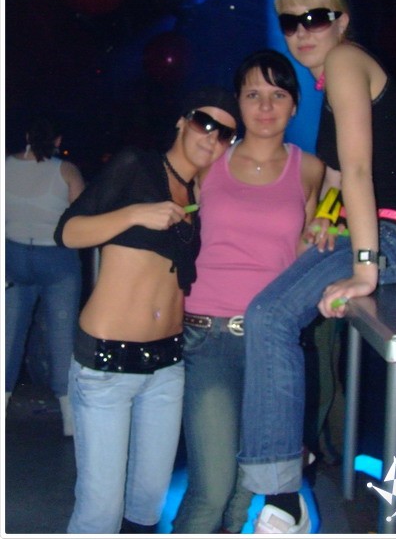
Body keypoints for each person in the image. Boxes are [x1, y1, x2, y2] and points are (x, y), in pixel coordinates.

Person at [237, 0, 396, 533]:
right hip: (381, 231)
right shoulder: (333, 79)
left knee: (269, 315)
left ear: (341, 21)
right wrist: (325, 221)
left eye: (316, 18)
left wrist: (365, 270)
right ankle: (289, 468)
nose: (302, 32)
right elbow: (334, 181)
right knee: (271, 311)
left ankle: (285, 498)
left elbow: (357, 170)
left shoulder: (347, 60)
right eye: (290, 22)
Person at [53, 87, 239, 534]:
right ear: (182, 120)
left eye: (225, 134)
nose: (211, 137)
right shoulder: (136, 165)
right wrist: (135, 213)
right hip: (106, 363)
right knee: (100, 510)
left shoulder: (202, 192)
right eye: (205, 123)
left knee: (147, 505)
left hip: (167, 366)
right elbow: (68, 232)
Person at [172, 49, 324, 534]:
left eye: (277, 95)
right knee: (211, 490)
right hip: (209, 336)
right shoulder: (210, 161)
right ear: (238, 101)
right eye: (253, 94)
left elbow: (305, 248)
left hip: (272, 345)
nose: (265, 106)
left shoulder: (310, 169)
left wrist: (329, 232)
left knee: (245, 493)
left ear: (294, 105)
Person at [5, 116, 85, 436]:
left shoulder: (4, 166)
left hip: (13, 256)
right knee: (62, 336)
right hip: (56, 258)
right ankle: (69, 418)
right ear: (57, 141)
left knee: (8, 335)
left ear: (26, 134)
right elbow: (82, 218)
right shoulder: (66, 171)